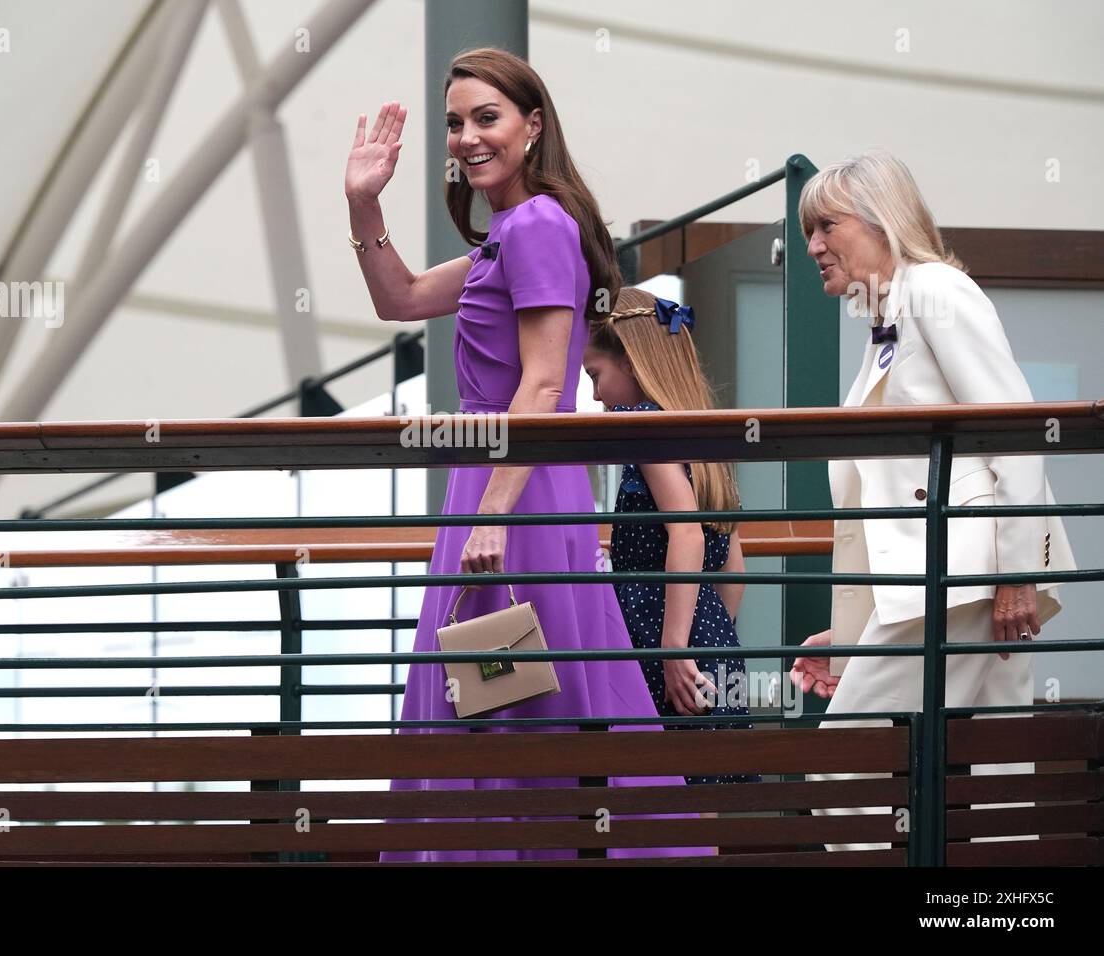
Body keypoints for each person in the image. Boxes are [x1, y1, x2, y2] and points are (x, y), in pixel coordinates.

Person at [344, 47, 707, 861]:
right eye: (455, 123)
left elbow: (545, 386)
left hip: (515, 488)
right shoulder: (511, 232)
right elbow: (396, 299)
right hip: (503, 480)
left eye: (487, 117)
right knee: (500, 690)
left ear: (533, 126)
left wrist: (491, 515)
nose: (467, 138)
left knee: (502, 698)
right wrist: (364, 203)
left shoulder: (539, 223)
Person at [787, 150, 1076, 851]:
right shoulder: (885, 323)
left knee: (843, 768)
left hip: (968, 580)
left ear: (882, 221)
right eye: (807, 234)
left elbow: (1014, 428)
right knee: (993, 783)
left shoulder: (935, 291)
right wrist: (854, 639)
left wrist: (1013, 572)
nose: (814, 247)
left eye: (826, 226)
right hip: (948, 584)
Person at [583, 287, 759, 788]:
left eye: (595, 375)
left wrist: (675, 648)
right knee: (710, 801)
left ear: (634, 364)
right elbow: (733, 567)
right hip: (713, 642)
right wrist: (709, 636)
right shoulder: (701, 441)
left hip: (665, 645)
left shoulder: (644, 430)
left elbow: (686, 533)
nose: (595, 395)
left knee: (663, 799)